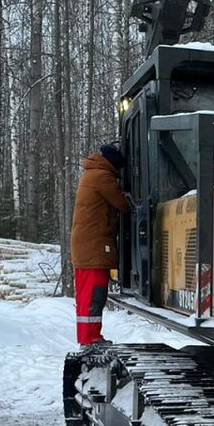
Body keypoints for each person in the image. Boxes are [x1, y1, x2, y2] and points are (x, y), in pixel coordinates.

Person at [71, 143, 127, 345]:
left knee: (90, 295)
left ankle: (89, 336)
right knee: (94, 295)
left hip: (89, 247)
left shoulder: (93, 173)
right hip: (93, 248)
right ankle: (90, 338)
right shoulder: (102, 177)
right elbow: (122, 203)